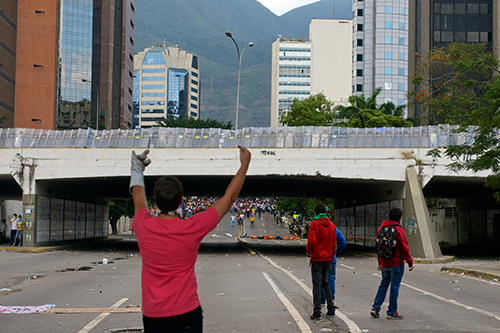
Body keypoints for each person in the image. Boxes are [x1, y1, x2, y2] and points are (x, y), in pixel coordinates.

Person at [130, 146, 251, 333]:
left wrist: (137, 170)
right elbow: (229, 198)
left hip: (153, 315)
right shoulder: (192, 227)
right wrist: (244, 166)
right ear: (181, 201)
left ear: (155, 199)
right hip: (186, 312)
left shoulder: (142, 225)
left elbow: (139, 199)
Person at [370, 207, 413, 320]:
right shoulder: (399, 230)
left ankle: (375, 308)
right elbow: (404, 247)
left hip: (384, 263)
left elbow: (378, 246)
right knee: (394, 286)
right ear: (399, 218)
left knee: (384, 284)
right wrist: (409, 261)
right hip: (396, 263)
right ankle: (392, 312)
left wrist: (379, 262)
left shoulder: (381, 229)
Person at [306, 204, 337, 320]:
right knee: (325, 283)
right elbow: (334, 244)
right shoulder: (332, 226)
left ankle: (317, 311)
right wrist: (331, 257)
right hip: (328, 258)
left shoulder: (314, 224)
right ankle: (330, 308)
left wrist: (308, 251)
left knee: (316, 285)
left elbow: (311, 241)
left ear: (315, 213)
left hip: (317, 258)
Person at [320, 227, 347, 308]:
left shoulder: (317, 227)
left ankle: (321, 300)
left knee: (321, 279)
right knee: (330, 279)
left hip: (320, 257)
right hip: (331, 259)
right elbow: (343, 243)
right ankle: (331, 300)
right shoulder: (335, 230)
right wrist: (336, 251)